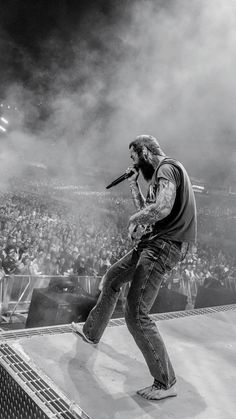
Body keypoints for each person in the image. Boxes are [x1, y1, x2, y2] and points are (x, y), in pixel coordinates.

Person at [72, 134, 197, 401]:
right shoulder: (156, 177)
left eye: (133, 158)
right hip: (153, 241)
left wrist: (133, 219)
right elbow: (147, 210)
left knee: (136, 313)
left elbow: (162, 208)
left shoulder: (167, 168)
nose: (133, 163)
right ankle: (91, 333)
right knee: (114, 277)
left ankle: (166, 382)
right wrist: (133, 183)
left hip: (164, 246)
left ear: (144, 152)